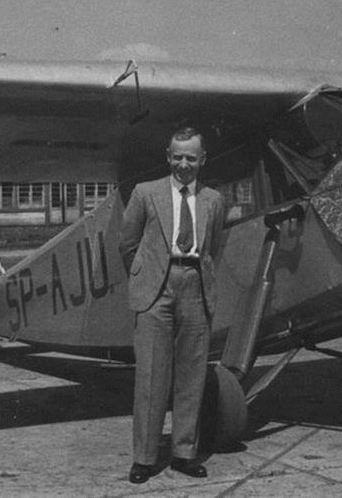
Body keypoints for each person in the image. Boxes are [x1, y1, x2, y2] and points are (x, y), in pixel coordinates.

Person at [119, 127, 225, 484]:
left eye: (191, 158)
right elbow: (128, 244)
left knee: (191, 376)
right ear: (168, 157)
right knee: (150, 376)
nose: (184, 164)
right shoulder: (144, 194)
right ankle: (145, 459)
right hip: (156, 290)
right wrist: (146, 278)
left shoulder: (213, 199)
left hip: (195, 286)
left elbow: (214, 248)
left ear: (202, 160)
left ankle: (183, 453)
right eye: (177, 157)